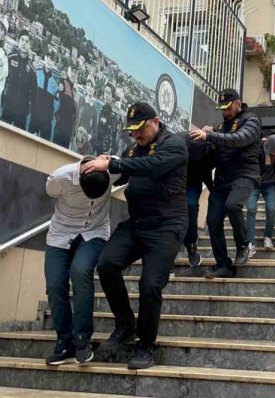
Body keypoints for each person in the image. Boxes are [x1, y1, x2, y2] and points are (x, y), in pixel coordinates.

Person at [83, 102, 188, 370]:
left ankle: (145, 343)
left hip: (166, 226)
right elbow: (119, 174)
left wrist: (115, 162)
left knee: (150, 285)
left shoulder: (174, 144)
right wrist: (93, 171)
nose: (136, 136)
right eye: (132, 131)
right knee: (106, 265)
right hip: (137, 224)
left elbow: (152, 166)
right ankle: (125, 324)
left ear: (155, 121)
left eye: (140, 129)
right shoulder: (132, 149)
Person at [43, 156, 117, 365]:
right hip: (61, 234)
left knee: (80, 271)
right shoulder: (59, 178)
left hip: (94, 232)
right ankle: (65, 343)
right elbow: (50, 192)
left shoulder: (113, 168)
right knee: (55, 285)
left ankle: (82, 340)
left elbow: (137, 163)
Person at [190, 89, 261, 278]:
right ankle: (222, 264)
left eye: (228, 108)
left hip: (244, 175)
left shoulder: (251, 121)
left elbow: (240, 139)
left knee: (233, 205)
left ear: (238, 103)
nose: (225, 112)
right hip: (222, 179)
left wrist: (211, 136)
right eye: (222, 109)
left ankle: (245, 245)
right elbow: (216, 153)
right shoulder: (221, 126)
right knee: (213, 220)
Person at [183, 135, 214, 266]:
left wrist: (216, 193)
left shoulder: (206, 153)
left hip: (193, 184)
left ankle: (191, 246)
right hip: (174, 183)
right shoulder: (178, 147)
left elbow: (206, 174)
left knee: (191, 207)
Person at [246, 133, 275, 250]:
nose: (274, 152)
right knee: (251, 209)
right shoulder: (256, 149)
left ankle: (268, 237)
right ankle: (249, 242)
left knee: (270, 208)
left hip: (269, 184)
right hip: (254, 184)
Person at [1, 29, 36, 130]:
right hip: (7, 106)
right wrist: (2, 97)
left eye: (27, 41)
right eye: (22, 40)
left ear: (29, 45)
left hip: (21, 113)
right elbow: (2, 79)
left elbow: (34, 94)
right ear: (18, 41)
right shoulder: (10, 58)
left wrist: (29, 109)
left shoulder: (32, 70)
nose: (24, 43)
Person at [31, 53, 58, 139]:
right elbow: (30, 92)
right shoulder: (36, 74)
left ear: (54, 63)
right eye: (48, 58)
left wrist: (49, 116)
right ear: (45, 58)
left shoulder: (55, 85)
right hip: (34, 117)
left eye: (52, 60)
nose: (50, 61)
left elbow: (56, 105)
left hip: (46, 122)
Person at [53, 66, 78, 148]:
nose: (74, 74)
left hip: (68, 133)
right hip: (60, 129)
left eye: (76, 73)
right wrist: (58, 118)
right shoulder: (62, 83)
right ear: (68, 71)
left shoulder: (75, 93)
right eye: (72, 71)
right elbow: (56, 101)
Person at [71, 76, 98, 149]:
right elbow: (74, 118)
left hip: (84, 143)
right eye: (88, 85)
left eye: (91, 86)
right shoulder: (80, 101)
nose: (89, 88)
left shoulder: (94, 111)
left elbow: (95, 132)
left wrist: (90, 136)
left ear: (94, 90)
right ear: (86, 87)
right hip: (75, 139)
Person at [93, 83, 120, 154]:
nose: (106, 95)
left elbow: (113, 136)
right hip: (98, 147)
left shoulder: (113, 116)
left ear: (112, 96)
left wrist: (109, 150)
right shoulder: (102, 111)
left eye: (109, 93)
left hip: (104, 151)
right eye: (105, 92)